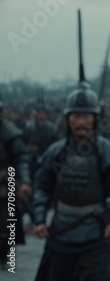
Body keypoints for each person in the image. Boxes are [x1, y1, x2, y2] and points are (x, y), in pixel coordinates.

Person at [33, 82, 110, 281]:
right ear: (68, 119)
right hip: (60, 232)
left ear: (94, 119)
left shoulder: (106, 152)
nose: (80, 122)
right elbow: (42, 186)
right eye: (75, 116)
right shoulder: (55, 152)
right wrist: (40, 219)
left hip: (96, 234)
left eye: (85, 116)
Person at [0, 100, 32, 270]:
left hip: (6, 183)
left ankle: (4, 253)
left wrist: (25, 181)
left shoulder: (10, 133)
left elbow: (21, 159)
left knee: (6, 225)